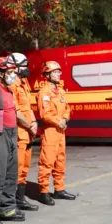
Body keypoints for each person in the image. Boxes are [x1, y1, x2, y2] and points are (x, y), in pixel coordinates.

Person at [0, 57, 34, 224]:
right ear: (1, 74)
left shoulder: (9, 91)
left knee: (11, 174)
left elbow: (15, 113)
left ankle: (7, 208)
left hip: (11, 136)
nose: (13, 75)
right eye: (10, 72)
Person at [36, 61, 77, 206]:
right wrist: (57, 122)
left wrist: (65, 118)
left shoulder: (61, 91)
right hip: (50, 131)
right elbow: (44, 114)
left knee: (60, 161)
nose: (59, 74)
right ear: (47, 75)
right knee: (47, 162)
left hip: (60, 131)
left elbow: (67, 108)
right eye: (55, 72)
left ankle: (59, 189)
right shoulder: (44, 93)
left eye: (59, 72)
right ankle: (44, 191)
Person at [7, 53, 39, 211]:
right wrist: (29, 125)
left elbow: (28, 108)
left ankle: (20, 199)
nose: (27, 68)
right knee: (17, 167)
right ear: (15, 67)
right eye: (24, 65)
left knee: (25, 166)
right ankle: (12, 202)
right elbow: (16, 111)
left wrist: (33, 122)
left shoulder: (24, 83)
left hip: (27, 132)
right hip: (19, 132)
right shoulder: (12, 84)